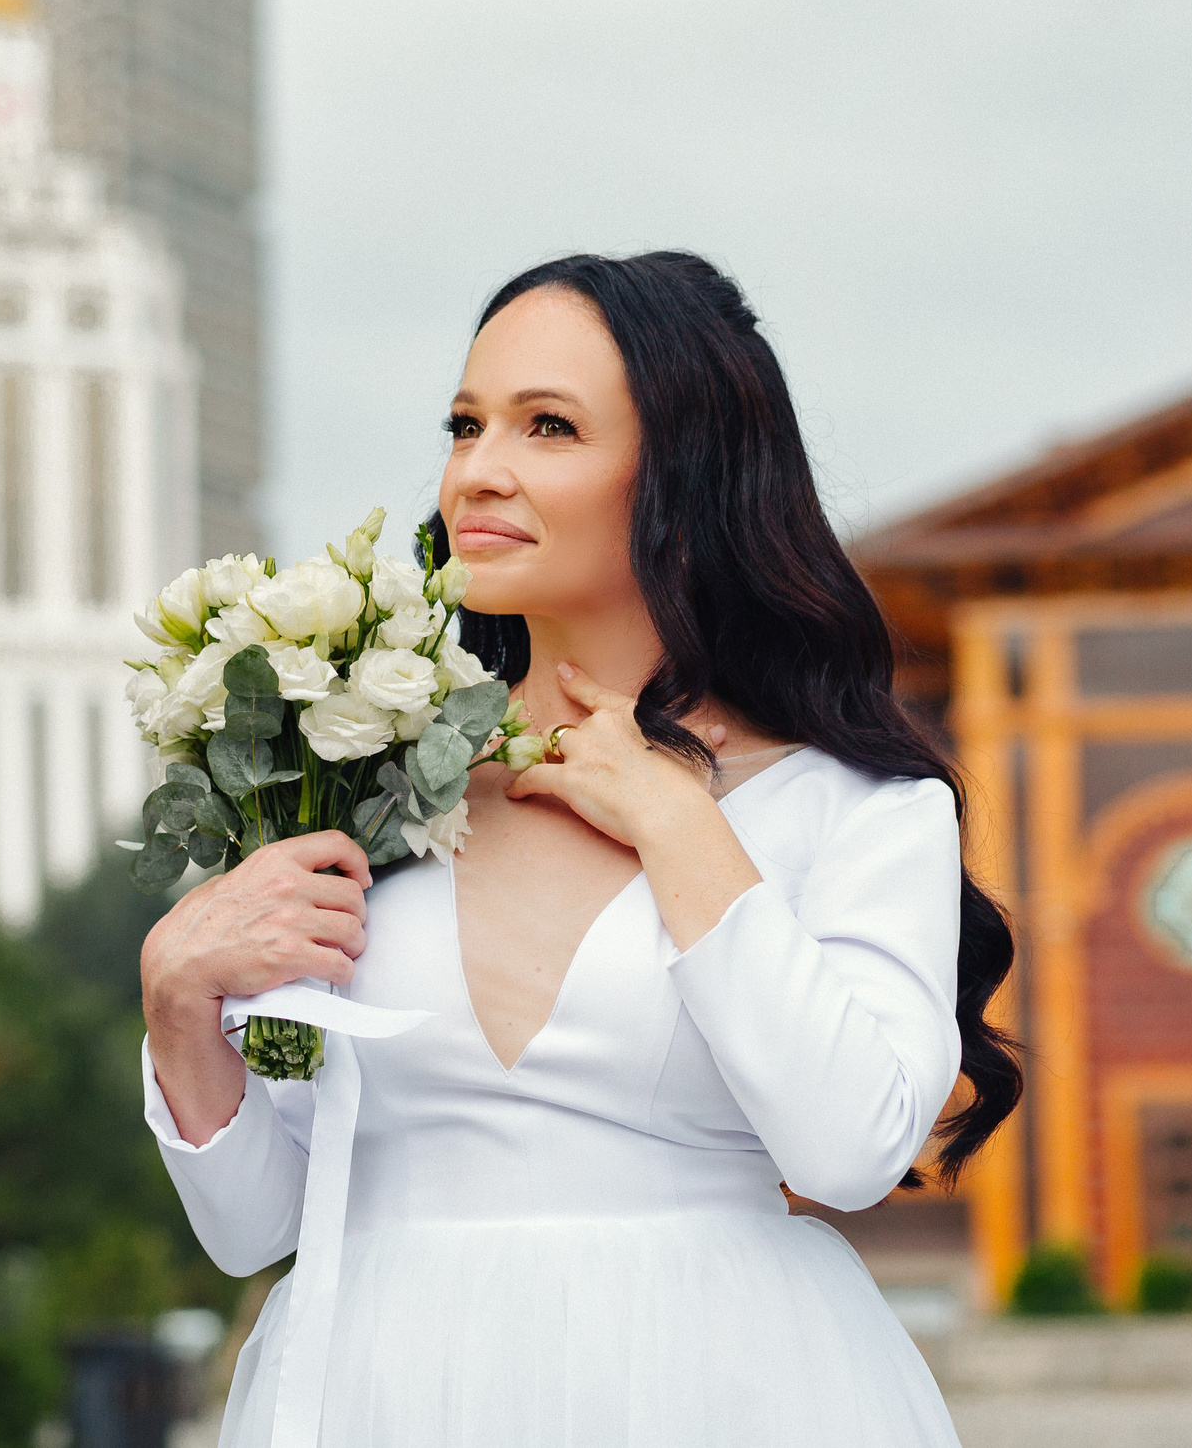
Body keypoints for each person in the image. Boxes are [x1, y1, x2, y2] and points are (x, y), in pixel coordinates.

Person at [138, 252, 1022, 1447]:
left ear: (683, 471)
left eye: (547, 426)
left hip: (722, 1389)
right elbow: (258, 1227)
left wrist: (675, 823)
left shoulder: (852, 805)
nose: (478, 471)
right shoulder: (364, 793)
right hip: (381, 1392)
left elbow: (852, 1147)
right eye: (465, 425)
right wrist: (180, 1006)